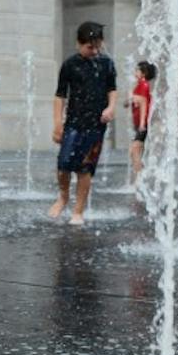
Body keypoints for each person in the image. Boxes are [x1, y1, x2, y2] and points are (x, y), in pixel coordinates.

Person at [50, 21, 118, 226]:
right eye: (90, 47)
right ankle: (63, 197)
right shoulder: (70, 65)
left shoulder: (106, 63)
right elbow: (60, 96)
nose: (95, 51)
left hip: (96, 124)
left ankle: (78, 211)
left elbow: (112, 89)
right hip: (73, 122)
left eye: (97, 46)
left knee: (85, 167)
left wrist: (111, 108)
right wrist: (57, 123)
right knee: (63, 164)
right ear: (78, 43)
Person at [127, 61, 156, 184]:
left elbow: (144, 103)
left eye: (137, 70)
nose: (135, 72)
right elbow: (131, 102)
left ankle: (140, 178)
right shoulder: (138, 85)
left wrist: (142, 124)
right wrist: (130, 98)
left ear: (144, 73)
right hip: (139, 123)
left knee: (134, 149)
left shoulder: (144, 85)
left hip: (142, 124)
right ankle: (139, 177)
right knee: (136, 151)